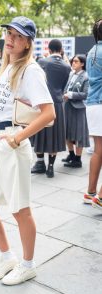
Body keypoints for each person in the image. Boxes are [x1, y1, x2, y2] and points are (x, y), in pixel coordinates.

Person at [0, 16, 55, 285]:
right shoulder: (7, 67)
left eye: (19, 36)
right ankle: (7, 256)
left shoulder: (30, 70)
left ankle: (27, 264)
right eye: (9, 33)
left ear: (28, 43)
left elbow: (48, 114)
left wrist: (17, 137)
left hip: (10, 140)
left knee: (20, 209)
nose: (11, 38)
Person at [31, 39, 71, 178]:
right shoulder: (67, 67)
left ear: (49, 49)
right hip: (58, 103)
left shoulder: (42, 62)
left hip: (43, 102)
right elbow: (64, 86)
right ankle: (51, 167)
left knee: (39, 132)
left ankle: (40, 163)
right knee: (54, 135)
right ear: (60, 49)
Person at [83, 19, 102, 208]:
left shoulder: (91, 52)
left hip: (93, 104)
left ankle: (90, 192)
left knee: (98, 150)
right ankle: (101, 197)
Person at [62, 54, 89, 168]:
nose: (73, 63)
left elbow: (86, 94)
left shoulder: (86, 77)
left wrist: (71, 95)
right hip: (67, 106)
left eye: (76, 61)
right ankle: (71, 155)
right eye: (73, 61)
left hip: (78, 109)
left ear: (82, 64)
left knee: (79, 133)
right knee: (67, 131)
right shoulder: (71, 74)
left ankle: (78, 159)